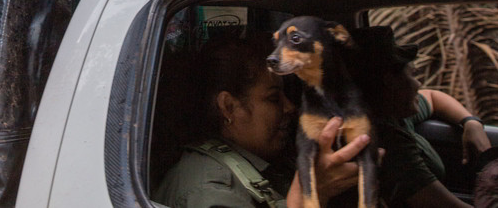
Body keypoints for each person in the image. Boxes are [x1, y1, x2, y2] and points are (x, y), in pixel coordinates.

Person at [154, 33, 370, 208]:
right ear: (229, 107)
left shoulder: (261, 166)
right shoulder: (211, 190)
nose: (289, 107)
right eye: (273, 98)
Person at [349, 26, 492, 208]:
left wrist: (471, 123)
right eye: (412, 74)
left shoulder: (395, 115)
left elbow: (433, 97)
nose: (419, 83)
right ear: (390, 81)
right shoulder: (389, 144)